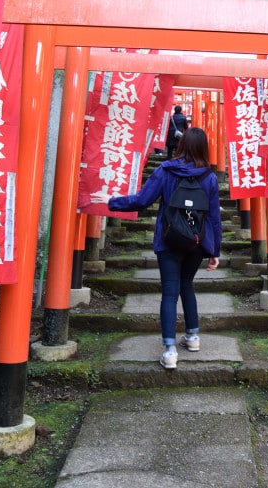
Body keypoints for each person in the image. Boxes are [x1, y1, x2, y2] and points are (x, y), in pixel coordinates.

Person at [98, 127, 222, 369]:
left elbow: (142, 200)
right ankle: (193, 338)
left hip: (169, 239)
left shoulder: (166, 170)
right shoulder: (210, 177)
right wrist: (214, 251)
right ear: (204, 148)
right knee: (187, 285)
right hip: (197, 243)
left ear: (181, 145)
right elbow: (214, 217)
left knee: (169, 292)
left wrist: (111, 202)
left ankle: (170, 351)